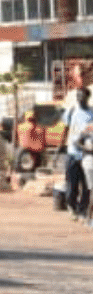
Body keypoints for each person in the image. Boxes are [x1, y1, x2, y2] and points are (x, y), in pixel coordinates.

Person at [63, 87, 93, 220]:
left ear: (87, 97)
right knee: (72, 184)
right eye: (77, 96)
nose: (79, 98)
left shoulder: (92, 113)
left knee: (87, 185)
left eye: (81, 96)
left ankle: (82, 210)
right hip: (72, 153)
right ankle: (72, 207)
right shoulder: (71, 111)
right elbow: (66, 129)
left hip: (87, 155)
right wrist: (61, 147)